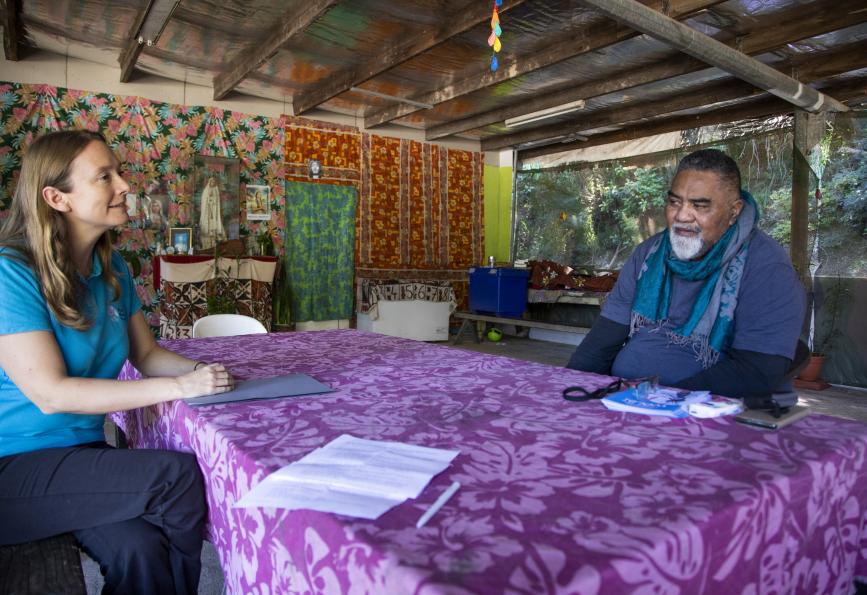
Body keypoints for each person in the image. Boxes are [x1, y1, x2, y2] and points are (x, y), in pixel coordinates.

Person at [0, 130, 235, 594]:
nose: (125, 185)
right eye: (105, 177)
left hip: (79, 456)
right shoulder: (12, 271)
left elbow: (146, 355)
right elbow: (51, 394)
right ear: (57, 198)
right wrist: (181, 389)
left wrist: (213, 378)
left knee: (141, 549)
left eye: (119, 173)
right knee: (177, 473)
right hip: (14, 467)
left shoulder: (113, 270)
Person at [566, 149, 806, 400]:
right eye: (674, 202)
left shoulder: (766, 267)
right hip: (628, 397)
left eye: (700, 206)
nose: (681, 216)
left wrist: (666, 401)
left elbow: (756, 371)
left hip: (702, 409)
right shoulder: (649, 254)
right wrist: (565, 389)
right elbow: (601, 342)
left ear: (734, 211)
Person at [199, 176, 226, 249]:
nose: (213, 183)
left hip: (214, 210)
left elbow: (217, 201)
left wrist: (213, 201)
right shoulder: (206, 190)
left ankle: (216, 242)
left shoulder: (216, 189)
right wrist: (208, 199)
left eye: (214, 182)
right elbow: (204, 200)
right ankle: (207, 245)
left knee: (215, 224)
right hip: (208, 211)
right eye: (211, 181)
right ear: (209, 182)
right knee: (208, 226)